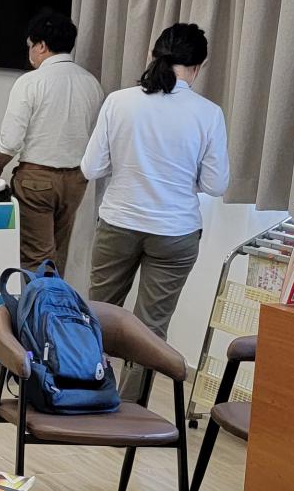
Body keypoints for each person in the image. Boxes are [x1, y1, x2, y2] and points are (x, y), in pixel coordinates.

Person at [82, 23, 228, 401]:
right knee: (150, 329)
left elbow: (91, 168)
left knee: (97, 314)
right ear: (197, 67)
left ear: (153, 55)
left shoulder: (119, 102)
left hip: (118, 223)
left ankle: (85, 393)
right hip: (176, 232)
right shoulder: (208, 113)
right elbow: (216, 184)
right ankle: (131, 411)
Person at [0, 12, 104, 271]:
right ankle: (55, 296)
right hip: (76, 180)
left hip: (36, 180)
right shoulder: (91, 83)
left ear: (41, 45)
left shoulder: (30, 82)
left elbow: (11, 140)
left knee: (35, 257)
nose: (30, 53)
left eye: (30, 46)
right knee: (58, 253)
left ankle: (38, 299)